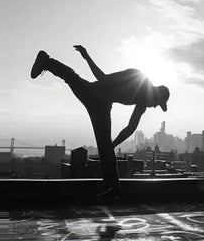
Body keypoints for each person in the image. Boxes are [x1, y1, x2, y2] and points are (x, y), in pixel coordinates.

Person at [30, 46, 170, 197]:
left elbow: (130, 128)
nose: (155, 106)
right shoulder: (137, 77)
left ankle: (113, 187)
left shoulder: (143, 102)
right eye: (157, 103)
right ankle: (47, 61)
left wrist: (113, 145)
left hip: (102, 107)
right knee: (72, 78)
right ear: (156, 93)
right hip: (95, 94)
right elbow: (104, 78)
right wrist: (87, 57)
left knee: (105, 147)